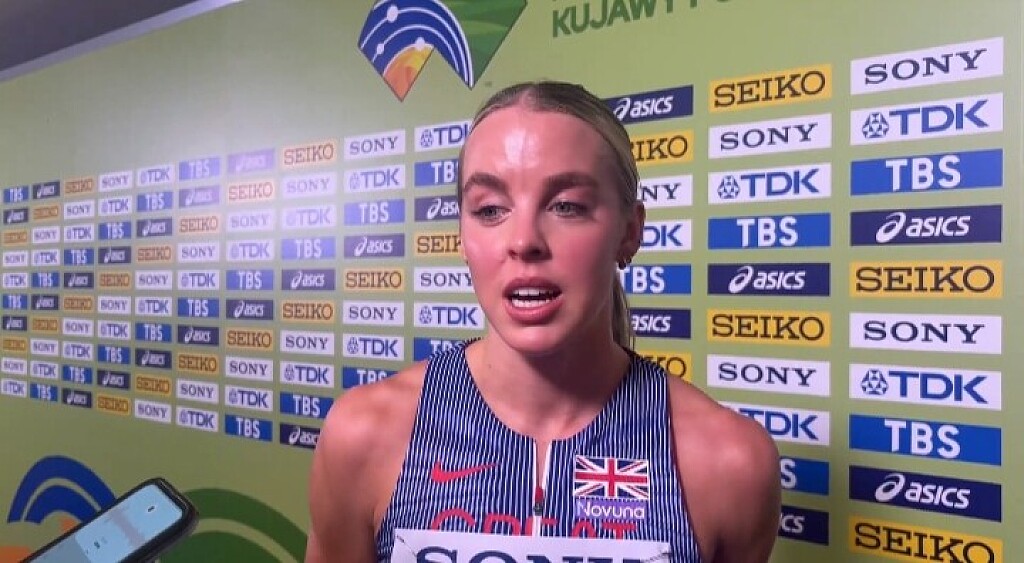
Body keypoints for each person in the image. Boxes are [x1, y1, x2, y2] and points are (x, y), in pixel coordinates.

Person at [306, 81, 781, 562]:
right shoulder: (363, 435)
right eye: (490, 209)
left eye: (566, 206)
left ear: (630, 232)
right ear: (462, 236)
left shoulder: (730, 463)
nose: (524, 241)